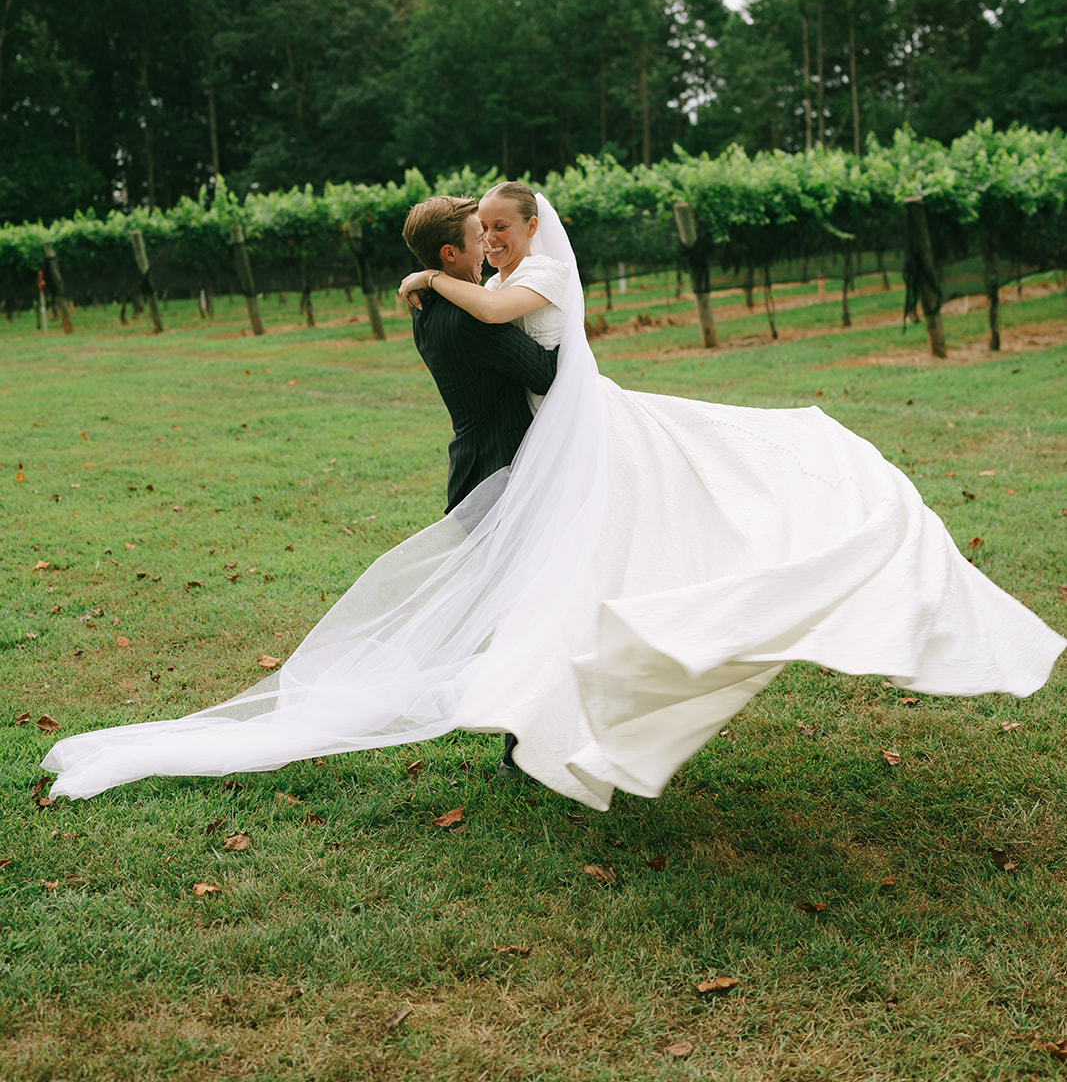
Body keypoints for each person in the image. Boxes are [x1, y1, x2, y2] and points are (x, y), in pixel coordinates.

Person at [41, 185, 1065, 806]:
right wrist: (457, 291)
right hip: (524, 456)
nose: (489, 239)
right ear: (455, 248)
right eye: (475, 232)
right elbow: (531, 368)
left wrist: (432, 283)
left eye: (498, 226)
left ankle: (525, 726)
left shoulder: (482, 295)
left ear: (525, 225)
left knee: (572, 575)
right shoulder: (474, 302)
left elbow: (508, 322)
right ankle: (526, 726)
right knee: (547, 588)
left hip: (538, 449)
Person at [399, 194, 559, 512]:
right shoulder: (469, 317)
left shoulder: (424, 307)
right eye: (478, 238)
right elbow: (546, 374)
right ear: (449, 253)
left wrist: (432, 277)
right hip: (502, 472)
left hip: (472, 469)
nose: (487, 246)